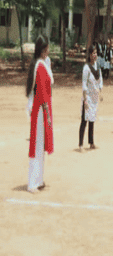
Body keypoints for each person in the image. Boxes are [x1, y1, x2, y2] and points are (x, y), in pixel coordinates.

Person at [26, 35, 54, 193]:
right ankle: (32, 183)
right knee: (36, 145)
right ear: (43, 50)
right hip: (40, 111)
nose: (49, 50)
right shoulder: (40, 66)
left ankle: (38, 179)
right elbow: (42, 92)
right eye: (47, 48)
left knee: (40, 145)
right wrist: (47, 114)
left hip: (41, 110)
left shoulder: (42, 63)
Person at [80, 44, 103, 151]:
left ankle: (91, 142)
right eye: (93, 53)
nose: (95, 55)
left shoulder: (97, 66)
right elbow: (84, 84)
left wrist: (100, 92)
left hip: (94, 98)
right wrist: (85, 100)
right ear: (90, 55)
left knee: (92, 119)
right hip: (88, 97)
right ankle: (81, 144)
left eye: (96, 53)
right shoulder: (86, 68)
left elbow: (100, 81)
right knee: (85, 120)